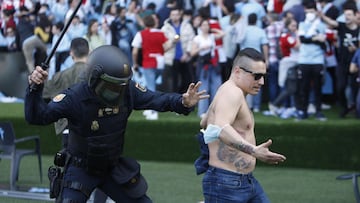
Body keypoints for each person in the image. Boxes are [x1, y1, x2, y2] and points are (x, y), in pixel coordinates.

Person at [25, 45, 209, 203]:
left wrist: (182, 102)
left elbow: (158, 99)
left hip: (112, 167)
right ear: (94, 79)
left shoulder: (126, 90)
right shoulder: (74, 97)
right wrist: (34, 89)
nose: (117, 92)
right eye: (111, 86)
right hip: (81, 168)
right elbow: (38, 116)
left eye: (121, 85)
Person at [196, 48, 286, 202]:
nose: (261, 82)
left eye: (264, 76)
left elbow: (205, 123)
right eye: (256, 76)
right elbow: (220, 128)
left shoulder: (227, 90)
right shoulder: (233, 93)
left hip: (239, 181)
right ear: (237, 71)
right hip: (227, 183)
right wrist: (254, 151)